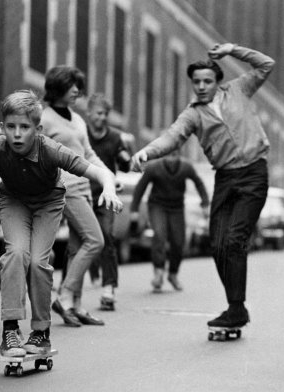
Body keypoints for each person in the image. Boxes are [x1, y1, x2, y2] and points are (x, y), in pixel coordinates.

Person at [0, 90, 122, 357]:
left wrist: (109, 189)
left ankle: (40, 333)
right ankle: (10, 331)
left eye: (25, 127)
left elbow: (96, 170)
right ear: (2, 128)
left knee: (38, 262)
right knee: (15, 255)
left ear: (38, 128)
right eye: (11, 127)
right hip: (14, 201)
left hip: (48, 203)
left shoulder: (51, 149)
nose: (18, 134)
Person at [131, 43, 274, 329]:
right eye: (196, 82)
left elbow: (266, 64)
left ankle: (236, 307)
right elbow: (172, 137)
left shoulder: (239, 89)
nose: (201, 86)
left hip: (253, 174)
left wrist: (233, 50)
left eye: (207, 81)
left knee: (234, 239)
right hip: (225, 177)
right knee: (218, 243)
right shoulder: (193, 114)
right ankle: (236, 307)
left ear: (218, 81)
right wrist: (146, 152)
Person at [41, 66, 107, 327]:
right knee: (96, 240)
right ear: (58, 87)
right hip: (65, 187)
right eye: (71, 85)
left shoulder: (78, 119)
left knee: (77, 248)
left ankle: (75, 305)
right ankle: (64, 295)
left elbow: (88, 154)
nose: (77, 90)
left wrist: (107, 177)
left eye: (78, 85)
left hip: (85, 187)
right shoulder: (43, 118)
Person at [130, 150, 210, 292]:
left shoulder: (186, 167)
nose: (171, 159)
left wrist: (205, 203)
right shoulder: (154, 167)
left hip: (177, 207)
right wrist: (134, 211)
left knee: (179, 241)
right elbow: (140, 188)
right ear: (163, 157)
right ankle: (159, 272)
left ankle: (173, 274)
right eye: (168, 156)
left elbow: (199, 183)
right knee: (159, 234)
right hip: (157, 206)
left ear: (179, 156)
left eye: (174, 156)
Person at [86, 93, 132, 310]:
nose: (102, 117)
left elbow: (125, 166)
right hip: (84, 193)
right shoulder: (82, 134)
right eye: (98, 113)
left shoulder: (114, 137)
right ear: (89, 114)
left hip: (107, 194)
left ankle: (109, 288)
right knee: (78, 240)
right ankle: (69, 290)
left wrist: (125, 158)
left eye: (105, 114)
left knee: (106, 236)